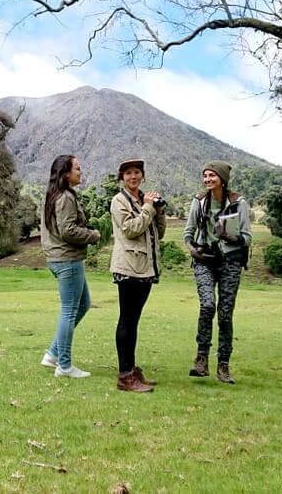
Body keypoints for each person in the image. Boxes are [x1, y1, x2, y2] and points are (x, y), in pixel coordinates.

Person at [182, 160, 251, 384]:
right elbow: (188, 232)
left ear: (222, 178)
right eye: (205, 176)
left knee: (225, 313)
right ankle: (201, 358)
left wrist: (231, 237)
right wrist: (194, 251)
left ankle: (223, 364)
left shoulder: (238, 202)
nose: (208, 180)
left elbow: (247, 237)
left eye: (212, 176)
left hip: (230, 262)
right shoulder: (199, 201)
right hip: (205, 260)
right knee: (208, 305)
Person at [40, 155, 102, 379]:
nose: (80, 172)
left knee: (83, 304)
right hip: (67, 260)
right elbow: (68, 230)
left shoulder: (54, 195)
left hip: (59, 259)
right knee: (69, 311)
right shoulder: (64, 197)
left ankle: (53, 354)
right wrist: (92, 235)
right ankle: (64, 365)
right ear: (66, 173)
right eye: (77, 168)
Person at [109, 158, 166, 393]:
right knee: (127, 319)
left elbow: (158, 233)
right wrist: (148, 207)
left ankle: (132, 370)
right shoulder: (119, 201)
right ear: (122, 177)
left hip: (145, 267)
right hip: (128, 267)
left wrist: (158, 211)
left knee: (134, 321)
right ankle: (125, 375)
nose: (134, 177)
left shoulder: (143, 200)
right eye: (129, 173)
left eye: (137, 173)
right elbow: (131, 229)